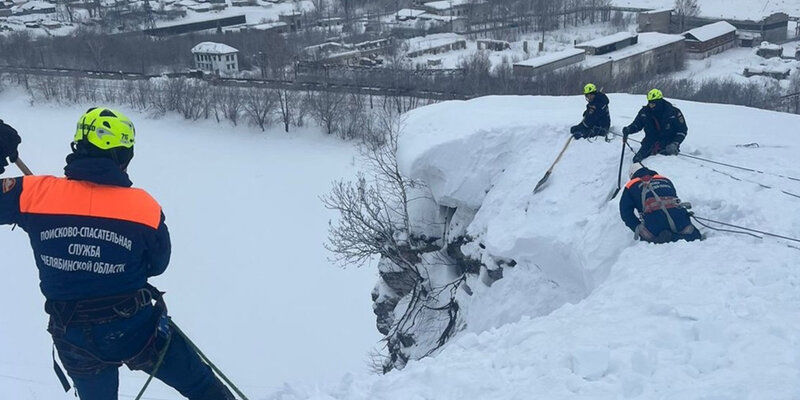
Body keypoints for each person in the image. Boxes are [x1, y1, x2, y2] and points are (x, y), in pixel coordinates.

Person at [0, 108, 234, 400]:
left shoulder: (33, 194)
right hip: (135, 328)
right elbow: (157, 265)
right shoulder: (142, 208)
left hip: (73, 336)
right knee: (200, 385)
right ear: (123, 156)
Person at [620, 162, 702, 244]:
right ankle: (683, 236)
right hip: (680, 219)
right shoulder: (665, 179)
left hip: (655, 224)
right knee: (693, 235)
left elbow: (625, 213)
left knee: (650, 236)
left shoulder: (630, 186)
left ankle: (667, 238)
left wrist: (637, 227)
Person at [622, 89, 688, 162]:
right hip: (649, 142)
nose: (651, 106)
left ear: (659, 102)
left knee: (663, 164)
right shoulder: (644, 112)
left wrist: (675, 143)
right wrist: (628, 129)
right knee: (636, 160)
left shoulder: (674, 112)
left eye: (653, 104)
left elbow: (682, 130)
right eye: (649, 103)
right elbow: (637, 125)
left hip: (668, 144)